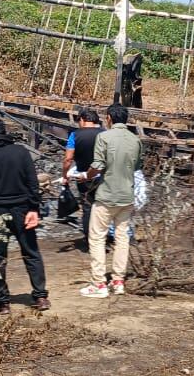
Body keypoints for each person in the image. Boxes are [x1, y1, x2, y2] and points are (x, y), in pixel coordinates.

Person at [0, 118, 50, 313]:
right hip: (23, 210)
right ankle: (40, 297)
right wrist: (34, 209)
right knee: (31, 252)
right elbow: (33, 184)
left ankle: (2, 302)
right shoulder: (21, 153)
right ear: (5, 131)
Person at [81, 104, 143, 298]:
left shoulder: (104, 137)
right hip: (127, 195)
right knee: (122, 238)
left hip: (107, 195)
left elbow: (97, 165)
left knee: (97, 237)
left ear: (108, 118)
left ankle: (99, 283)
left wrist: (86, 175)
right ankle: (118, 281)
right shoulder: (135, 140)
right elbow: (137, 166)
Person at [63, 108, 104, 237]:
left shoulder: (75, 135)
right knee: (103, 207)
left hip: (83, 177)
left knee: (87, 207)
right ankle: (103, 235)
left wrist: (65, 175)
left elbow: (68, 159)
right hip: (102, 176)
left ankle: (89, 237)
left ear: (82, 119)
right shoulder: (105, 134)